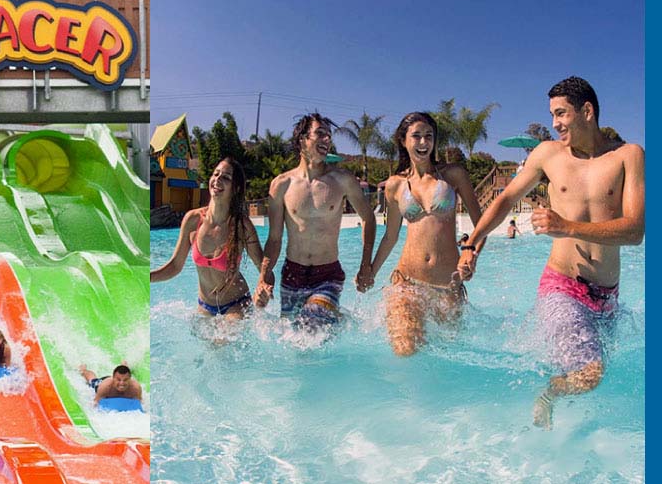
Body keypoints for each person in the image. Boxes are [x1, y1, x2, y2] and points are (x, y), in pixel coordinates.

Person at [457, 77, 644, 429]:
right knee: (589, 374)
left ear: (586, 111)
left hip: (607, 296)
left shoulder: (627, 156)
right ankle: (548, 395)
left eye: (561, 114)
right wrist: (472, 244)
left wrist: (568, 226)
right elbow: (506, 199)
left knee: (589, 371)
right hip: (562, 285)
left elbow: (635, 231)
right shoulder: (547, 154)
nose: (555, 123)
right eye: (552, 115)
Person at [369, 112, 484, 356]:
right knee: (406, 351)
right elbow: (390, 237)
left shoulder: (453, 175)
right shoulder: (395, 185)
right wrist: (369, 271)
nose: (423, 143)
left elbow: (482, 225)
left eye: (429, 136)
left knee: (446, 359)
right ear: (403, 140)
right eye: (417, 136)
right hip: (407, 283)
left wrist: (470, 253)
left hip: (447, 286)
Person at [256, 113, 376, 332]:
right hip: (292, 273)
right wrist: (263, 278)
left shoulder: (342, 180)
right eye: (320, 134)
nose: (327, 140)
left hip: (327, 273)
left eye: (329, 136)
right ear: (302, 139)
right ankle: (336, 318)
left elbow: (368, 218)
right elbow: (274, 239)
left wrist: (365, 266)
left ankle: (327, 310)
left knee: (312, 326)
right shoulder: (281, 185)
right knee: (292, 338)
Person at [151, 157, 268, 318]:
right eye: (216, 174)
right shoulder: (193, 220)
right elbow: (175, 266)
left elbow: (264, 268)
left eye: (226, 177)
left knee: (222, 341)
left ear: (235, 188)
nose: (218, 179)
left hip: (237, 304)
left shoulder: (241, 226)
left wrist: (263, 288)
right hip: (205, 305)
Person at [78, 364, 143, 406]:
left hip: (115, 378)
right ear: (113, 378)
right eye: (118, 380)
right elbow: (95, 403)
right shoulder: (105, 387)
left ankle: (124, 364)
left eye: (125, 380)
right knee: (93, 381)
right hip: (104, 382)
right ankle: (83, 370)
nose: (122, 383)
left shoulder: (135, 388)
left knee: (122, 373)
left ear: (129, 379)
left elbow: (140, 403)